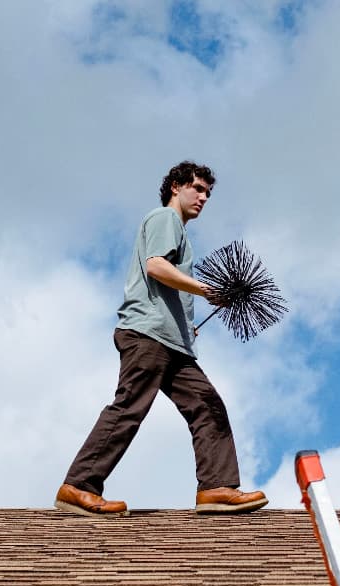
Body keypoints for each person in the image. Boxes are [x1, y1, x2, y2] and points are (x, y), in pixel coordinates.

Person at [55, 161, 268, 517]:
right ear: (175, 187)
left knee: (208, 406)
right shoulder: (164, 219)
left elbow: (164, 282)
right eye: (197, 189)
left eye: (208, 193)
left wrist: (187, 324)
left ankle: (217, 488)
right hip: (147, 336)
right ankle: (79, 486)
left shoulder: (180, 233)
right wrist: (204, 289)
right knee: (130, 407)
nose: (203, 197)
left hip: (173, 343)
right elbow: (155, 266)